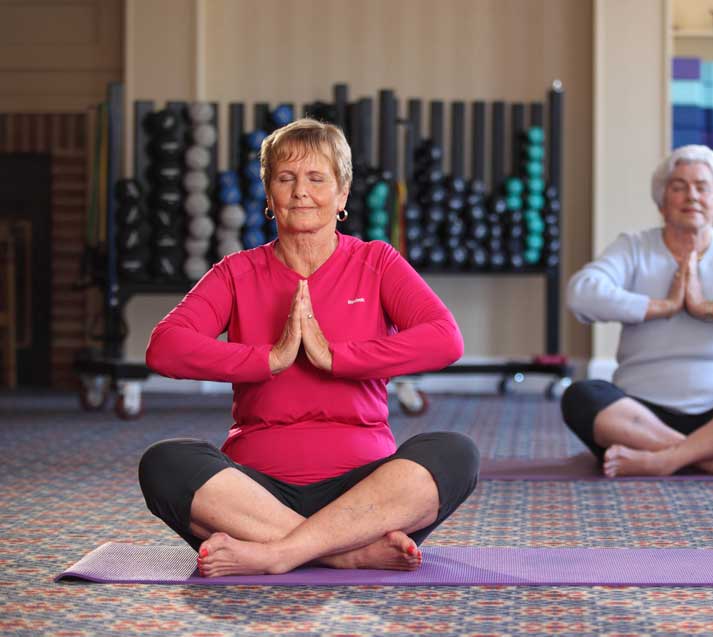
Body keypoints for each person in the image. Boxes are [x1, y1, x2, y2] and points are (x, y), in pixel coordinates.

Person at [139, 118, 479, 577]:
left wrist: (337, 358)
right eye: (286, 178)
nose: (301, 191)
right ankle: (346, 553)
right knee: (164, 462)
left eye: (317, 179)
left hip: (363, 493)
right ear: (269, 195)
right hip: (256, 493)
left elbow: (445, 339)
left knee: (456, 452)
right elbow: (165, 348)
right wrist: (269, 359)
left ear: (341, 196)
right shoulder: (236, 273)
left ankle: (279, 552)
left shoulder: (376, 262)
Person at [562, 145, 713, 478]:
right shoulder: (634, 247)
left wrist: (706, 308)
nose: (691, 196)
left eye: (701, 187)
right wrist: (661, 307)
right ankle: (712, 459)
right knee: (581, 396)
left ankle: (663, 459)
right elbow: (581, 294)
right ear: (662, 201)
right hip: (641, 413)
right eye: (678, 187)